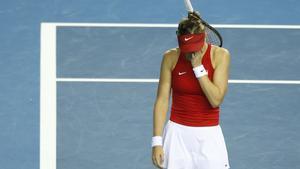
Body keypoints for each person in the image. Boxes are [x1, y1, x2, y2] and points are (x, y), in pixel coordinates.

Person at [152, 12, 231, 169]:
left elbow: (216, 100)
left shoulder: (220, 56)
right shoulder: (170, 57)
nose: (190, 53)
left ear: (204, 36)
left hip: (209, 136)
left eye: (194, 47)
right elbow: (162, 100)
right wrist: (157, 141)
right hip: (177, 136)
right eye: (186, 48)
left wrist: (198, 67)